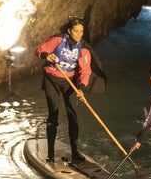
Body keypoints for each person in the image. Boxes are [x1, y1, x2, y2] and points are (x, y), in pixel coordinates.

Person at [36, 15, 105, 165]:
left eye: (81, 31)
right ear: (69, 31)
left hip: (70, 82)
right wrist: (47, 56)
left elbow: (85, 71)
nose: (79, 34)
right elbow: (39, 49)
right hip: (52, 79)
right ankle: (50, 154)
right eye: (76, 31)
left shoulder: (84, 50)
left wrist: (81, 88)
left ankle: (75, 153)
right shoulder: (58, 40)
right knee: (53, 114)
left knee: (73, 115)